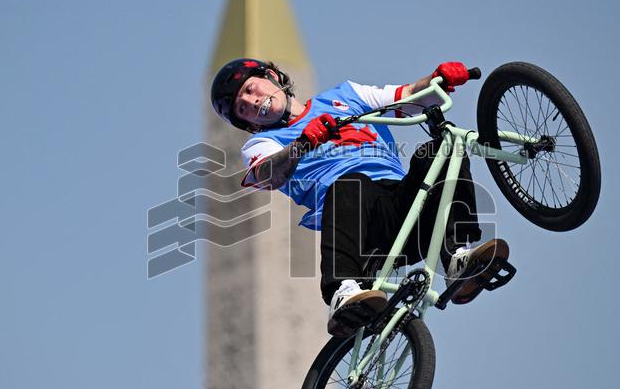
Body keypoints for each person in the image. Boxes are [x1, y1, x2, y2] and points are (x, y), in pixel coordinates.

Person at [209, 58, 512, 337]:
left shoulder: (347, 95)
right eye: (243, 108)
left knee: (443, 148)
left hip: (405, 208)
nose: (251, 101)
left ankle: (457, 257)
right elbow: (266, 175)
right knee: (349, 182)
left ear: (272, 76)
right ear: (250, 124)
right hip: (362, 231)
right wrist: (302, 144)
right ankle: (343, 290)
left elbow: (408, 96)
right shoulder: (263, 142)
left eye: (250, 89)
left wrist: (439, 79)